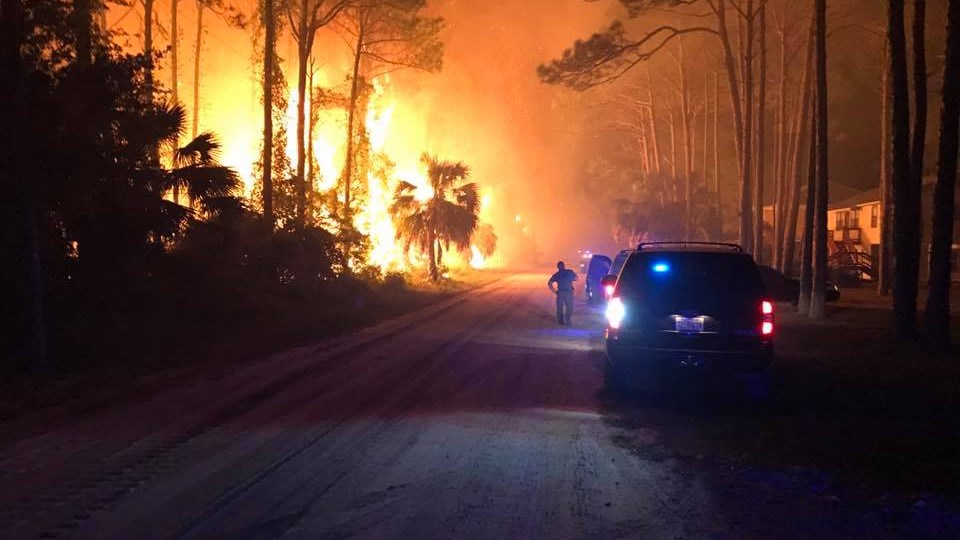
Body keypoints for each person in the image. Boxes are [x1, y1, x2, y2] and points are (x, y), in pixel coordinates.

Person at [548, 260, 578, 325]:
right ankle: (567, 319)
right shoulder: (569, 272)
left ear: (557, 267)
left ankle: (560, 321)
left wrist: (554, 291)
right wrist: (570, 280)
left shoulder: (556, 275)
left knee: (560, 308)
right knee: (570, 307)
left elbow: (549, 283)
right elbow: (576, 278)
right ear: (564, 266)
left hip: (560, 293)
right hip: (569, 292)